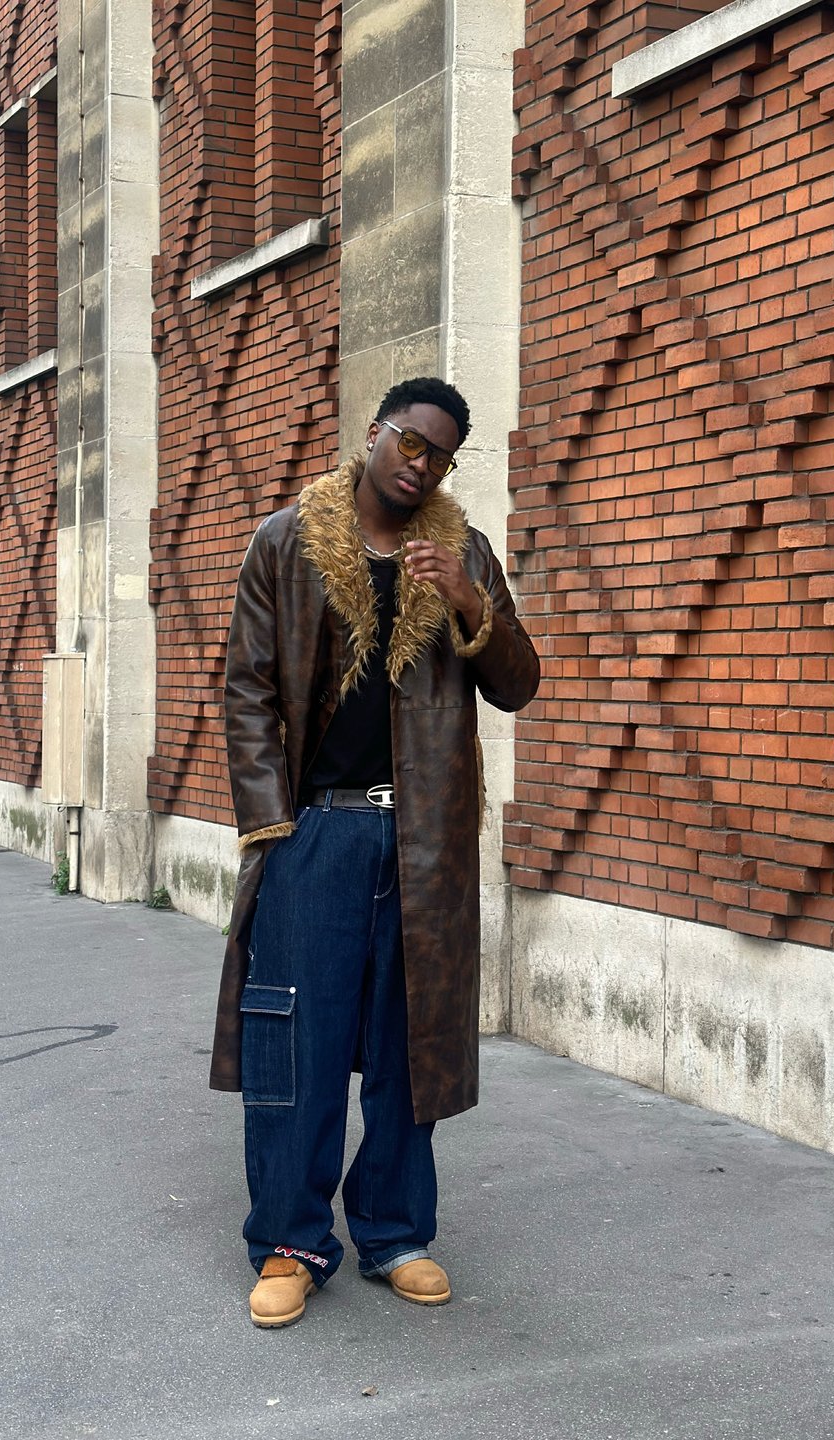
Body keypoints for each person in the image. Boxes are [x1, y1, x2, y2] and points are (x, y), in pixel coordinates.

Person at [209, 376, 540, 1328]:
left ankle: (394, 1232)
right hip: (319, 827)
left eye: (438, 453)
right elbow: (246, 691)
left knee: (411, 1042)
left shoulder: (462, 551)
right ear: (375, 432)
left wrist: (476, 605)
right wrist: (274, 822)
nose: (419, 462)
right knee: (298, 1042)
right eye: (409, 440)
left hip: (425, 837)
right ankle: (289, 1238)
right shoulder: (286, 542)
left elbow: (517, 685)